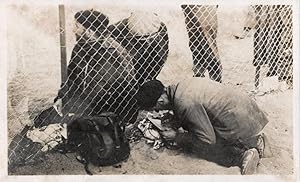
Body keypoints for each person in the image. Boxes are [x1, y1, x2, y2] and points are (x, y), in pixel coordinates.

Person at [135, 78, 270, 175]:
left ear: (161, 100)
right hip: (251, 114)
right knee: (198, 128)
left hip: (241, 123)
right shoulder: (180, 87)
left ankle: (242, 156)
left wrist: (177, 136)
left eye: (156, 108)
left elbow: (207, 140)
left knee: (200, 146)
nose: (158, 111)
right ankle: (255, 141)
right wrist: (176, 121)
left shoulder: (185, 103)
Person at [181, 5, 222, 82]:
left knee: (209, 47)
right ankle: (199, 78)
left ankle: (216, 81)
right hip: (189, 9)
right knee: (195, 46)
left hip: (203, 8)